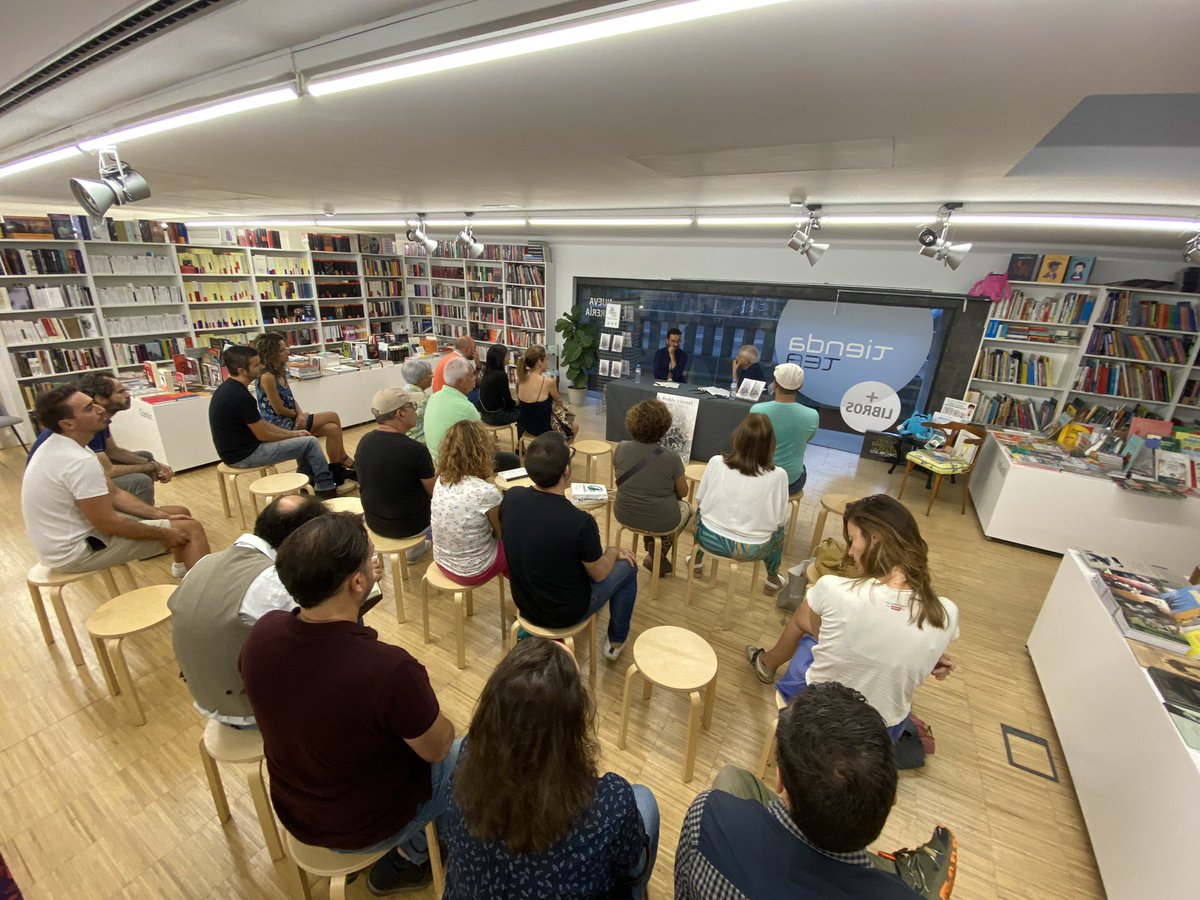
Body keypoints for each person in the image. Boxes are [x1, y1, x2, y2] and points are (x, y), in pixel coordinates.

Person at [239, 513, 459, 893]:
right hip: (364, 824)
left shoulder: (263, 633)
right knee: (469, 754)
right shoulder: (388, 669)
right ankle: (410, 857)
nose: (373, 564)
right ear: (358, 582)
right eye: (368, 560)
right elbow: (437, 748)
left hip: (297, 810)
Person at [674, 681, 957, 899]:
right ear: (892, 798)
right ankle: (901, 873)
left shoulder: (707, 815)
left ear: (780, 779)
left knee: (731, 779)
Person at [444, 638, 658, 899]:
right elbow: (628, 864)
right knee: (644, 800)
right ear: (575, 722)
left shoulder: (465, 759)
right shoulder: (611, 803)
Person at [744, 494, 959, 742]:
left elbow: (825, 634)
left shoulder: (834, 590)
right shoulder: (945, 613)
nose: (849, 551)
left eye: (852, 539)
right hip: (882, 735)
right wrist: (926, 655)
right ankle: (767, 663)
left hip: (813, 719)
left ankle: (767, 663)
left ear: (875, 539)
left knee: (807, 630)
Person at [168, 494, 327, 727]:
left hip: (205, 695)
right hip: (252, 710)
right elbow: (323, 636)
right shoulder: (273, 582)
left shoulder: (205, 563)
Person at [21, 385, 210, 577]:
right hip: (75, 551)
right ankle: (205, 598)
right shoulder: (77, 461)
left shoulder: (68, 445)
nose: (100, 409)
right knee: (190, 529)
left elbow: (115, 494)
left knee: (178, 513)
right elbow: (107, 523)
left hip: (73, 536)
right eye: (89, 408)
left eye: (93, 403)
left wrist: (161, 516)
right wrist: (164, 533)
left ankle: (183, 571)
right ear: (67, 424)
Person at [500, 432, 639, 660]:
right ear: (566, 471)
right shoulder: (580, 521)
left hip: (524, 604)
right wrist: (613, 552)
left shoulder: (511, 497)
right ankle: (616, 640)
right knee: (629, 567)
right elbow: (600, 573)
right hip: (565, 613)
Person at [207, 345, 343, 500]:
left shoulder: (230, 388)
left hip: (238, 450)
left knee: (304, 439)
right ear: (241, 371)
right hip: (245, 454)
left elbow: (261, 423)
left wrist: (294, 434)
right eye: (256, 365)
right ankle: (325, 489)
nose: (262, 367)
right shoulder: (240, 396)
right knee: (310, 443)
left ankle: (308, 483)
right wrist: (292, 435)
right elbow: (263, 434)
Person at [27, 371, 174, 506]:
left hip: (74, 476)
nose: (128, 395)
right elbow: (108, 471)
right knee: (140, 481)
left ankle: (141, 510)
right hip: (66, 490)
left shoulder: (95, 416)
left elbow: (113, 451)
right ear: (101, 399)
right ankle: (141, 521)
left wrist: (155, 464)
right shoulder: (86, 423)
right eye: (121, 392)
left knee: (145, 456)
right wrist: (151, 466)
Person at [691, 413, 790, 595]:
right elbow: (780, 520)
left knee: (700, 511)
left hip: (709, 539)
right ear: (770, 445)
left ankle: (696, 560)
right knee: (778, 532)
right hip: (753, 549)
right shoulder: (779, 475)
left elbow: (700, 500)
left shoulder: (715, 462)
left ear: (738, 438)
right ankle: (772, 578)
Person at [253, 332, 355, 482]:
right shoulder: (267, 377)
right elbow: (278, 409)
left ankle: (336, 468)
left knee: (332, 429)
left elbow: (291, 399)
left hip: (292, 417)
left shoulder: (281, 371)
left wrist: (300, 413)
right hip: (281, 424)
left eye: (286, 348)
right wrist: (298, 416)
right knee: (333, 415)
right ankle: (342, 458)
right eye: (282, 350)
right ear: (271, 354)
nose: (287, 352)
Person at [613, 399, 691, 576]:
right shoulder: (671, 457)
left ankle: (653, 547)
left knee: (648, 499)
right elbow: (684, 492)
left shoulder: (621, 448)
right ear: (664, 427)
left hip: (624, 513)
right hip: (661, 519)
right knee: (687, 509)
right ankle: (657, 554)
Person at [356, 388, 435, 561]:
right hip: (411, 527)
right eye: (412, 406)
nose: (416, 410)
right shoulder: (416, 450)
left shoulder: (364, 442)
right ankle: (418, 548)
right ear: (400, 413)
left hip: (374, 522)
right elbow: (434, 492)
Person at [431, 420, 508, 585]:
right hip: (475, 571)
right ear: (483, 451)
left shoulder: (442, 479)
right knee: (519, 541)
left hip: (442, 562)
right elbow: (500, 534)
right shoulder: (486, 492)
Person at [425, 355, 521, 469]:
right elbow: (481, 442)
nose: (475, 378)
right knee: (513, 460)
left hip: (436, 458)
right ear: (460, 382)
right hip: (455, 462)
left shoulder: (434, 397)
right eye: (471, 376)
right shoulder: (466, 407)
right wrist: (492, 447)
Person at [750, 362, 819, 494]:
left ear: (775, 384)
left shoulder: (757, 410)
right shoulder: (812, 415)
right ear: (800, 386)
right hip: (790, 482)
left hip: (757, 475)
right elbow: (808, 438)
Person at [516, 344, 577, 440]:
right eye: (546, 359)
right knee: (574, 427)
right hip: (543, 429)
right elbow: (558, 401)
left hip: (526, 426)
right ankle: (562, 452)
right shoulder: (548, 382)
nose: (547, 362)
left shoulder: (521, 379)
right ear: (540, 361)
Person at [478, 344, 519, 427]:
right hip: (495, 416)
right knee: (525, 410)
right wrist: (517, 403)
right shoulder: (501, 375)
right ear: (501, 358)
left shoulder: (488, 371)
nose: (509, 358)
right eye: (507, 355)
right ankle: (522, 438)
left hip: (484, 414)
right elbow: (508, 402)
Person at [432, 335, 480, 403]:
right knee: (481, 391)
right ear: (468, 349)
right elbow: (476, 382)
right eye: (474, 348)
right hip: (449, 399)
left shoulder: (448, 357)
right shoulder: (461, 362)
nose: (475, 351)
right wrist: (478, 367)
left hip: (439, 395)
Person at [400, 358, 434, 444]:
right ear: (420, 380)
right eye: (430, 375)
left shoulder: (402, 393)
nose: (433, 377)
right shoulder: (423, 400)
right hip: (422, 443)